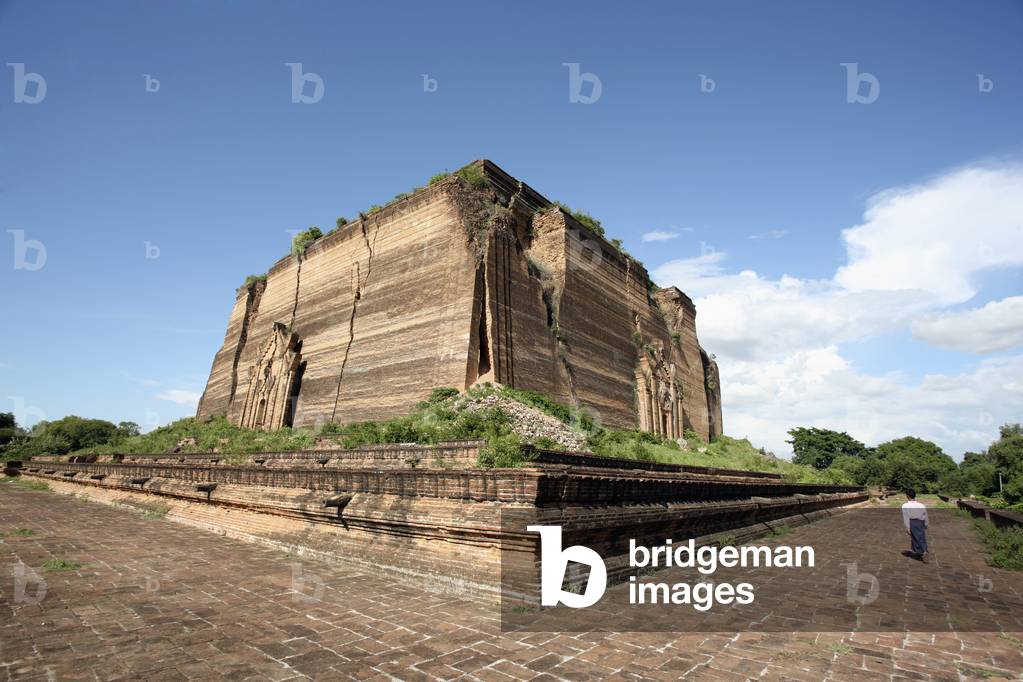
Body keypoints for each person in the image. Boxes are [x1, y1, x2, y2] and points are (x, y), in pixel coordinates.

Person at [901, 489, 929, 562]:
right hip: (921, 522)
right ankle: (918, 552)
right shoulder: (921, 505)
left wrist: (907, 527)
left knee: (917, 538)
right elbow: (925, 515)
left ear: (907, 496)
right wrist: (926, 524)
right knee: (920, 537)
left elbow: (906, 517)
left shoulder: (905, 505)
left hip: (913, 522)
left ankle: (924, 551)